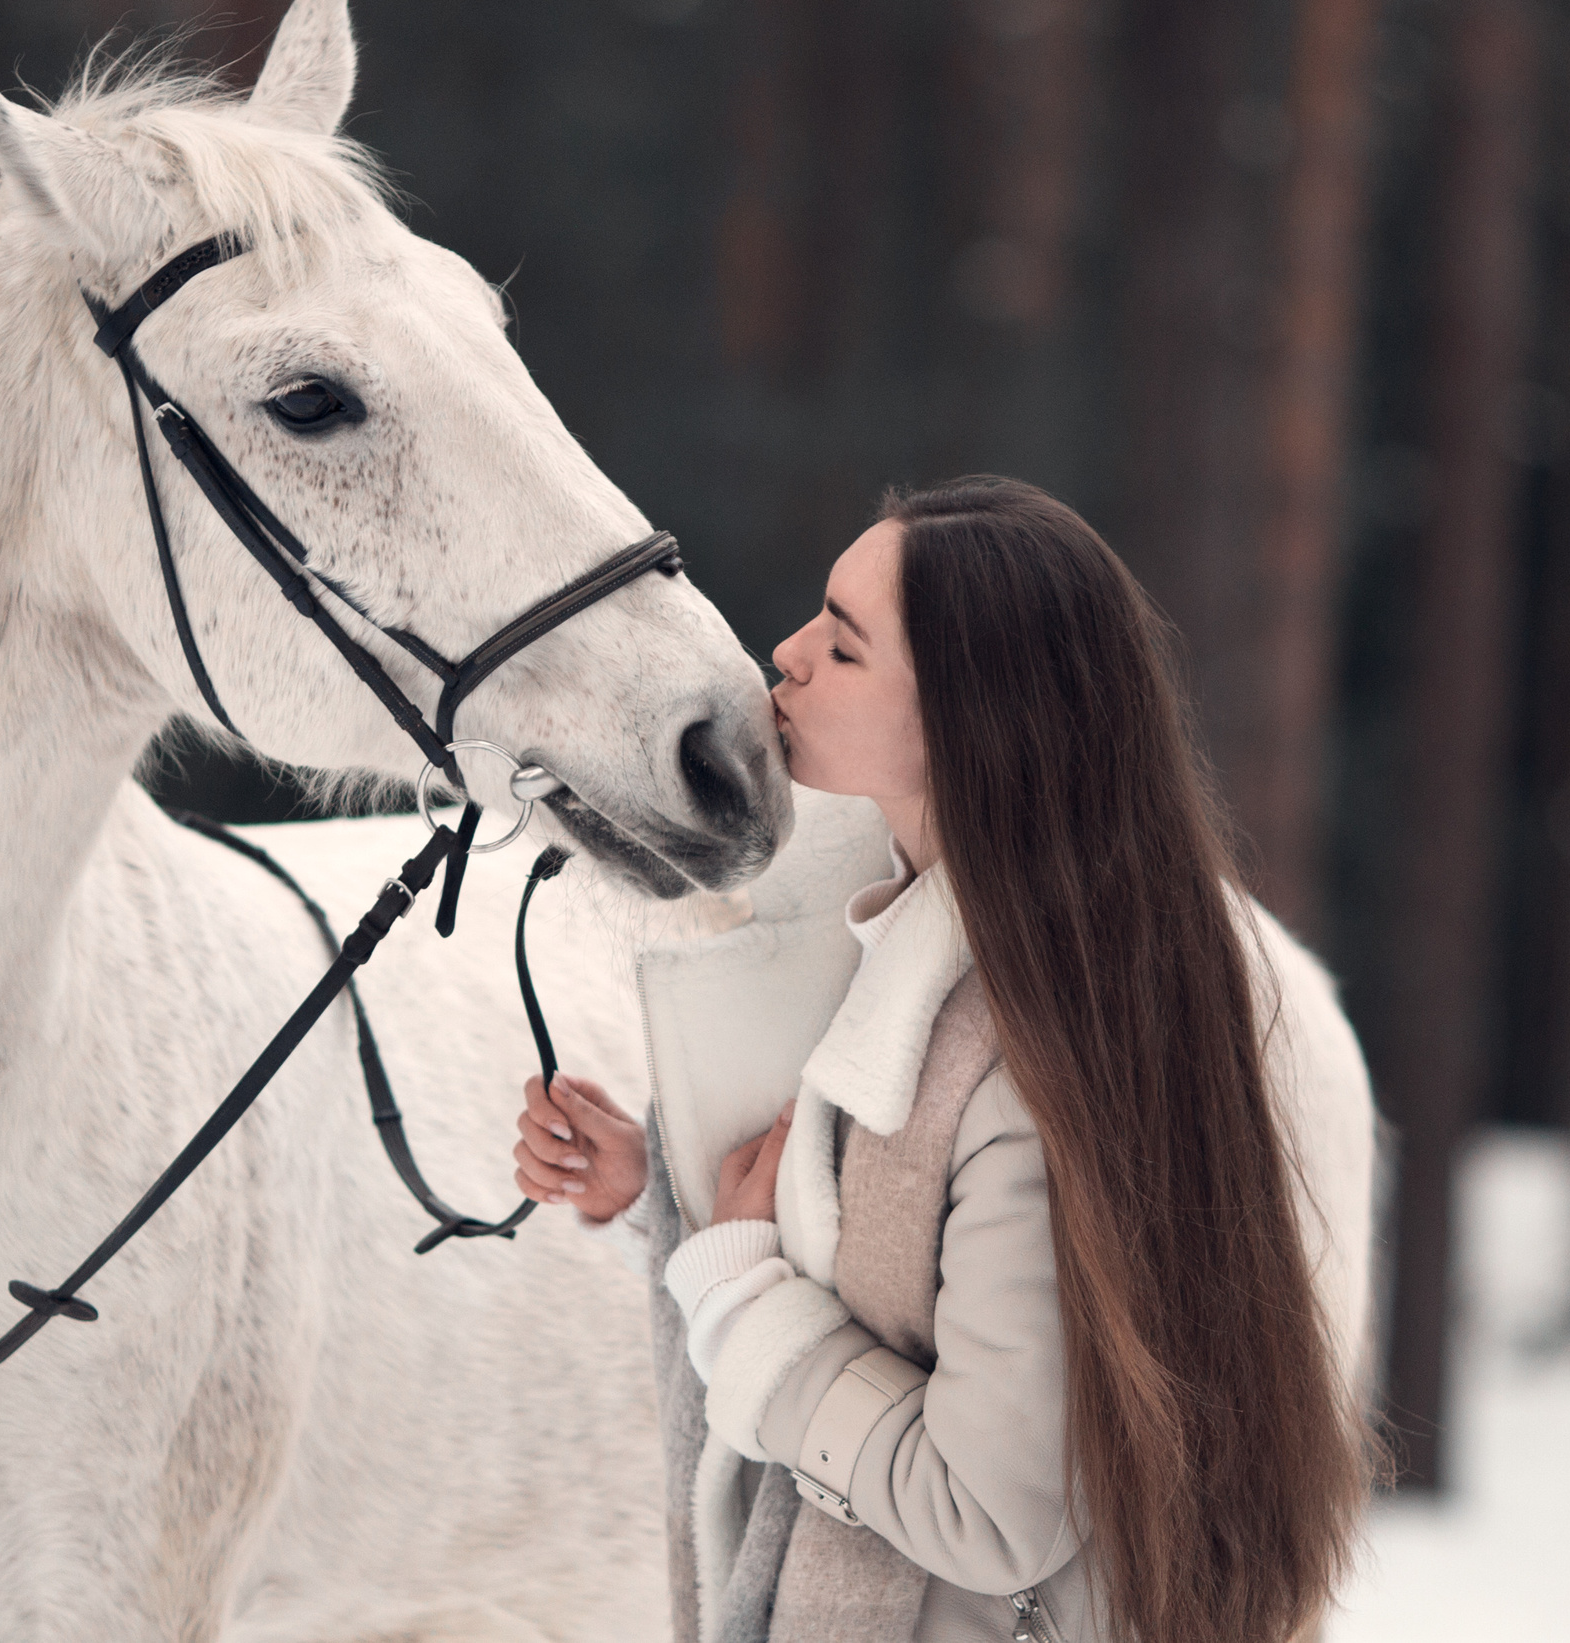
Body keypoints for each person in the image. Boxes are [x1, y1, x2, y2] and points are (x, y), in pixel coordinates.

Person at [512, 478, 1376, 1643]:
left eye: (845, 645)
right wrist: (659, 1193)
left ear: (968, 721)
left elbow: (989, 1514)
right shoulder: (943, 952)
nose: (789, 652)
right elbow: (885, 1268)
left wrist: (746, 1304)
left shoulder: (1029, 1066)